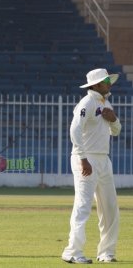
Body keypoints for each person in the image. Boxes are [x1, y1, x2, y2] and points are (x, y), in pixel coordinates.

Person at [62, 68, 121, 264]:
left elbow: (116, 130)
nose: (109, 84)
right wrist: (82, 157)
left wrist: (114, 120)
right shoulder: (87, 102)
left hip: (104, 159)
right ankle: (72, 251)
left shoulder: (106, 102)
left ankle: (106, 252)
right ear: (95, 85)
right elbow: (74, 129)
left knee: (110, 208)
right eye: (105, 81)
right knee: (83, 206)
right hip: (86, 159)